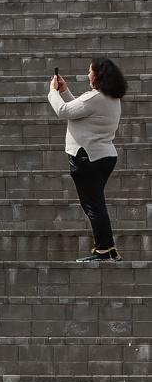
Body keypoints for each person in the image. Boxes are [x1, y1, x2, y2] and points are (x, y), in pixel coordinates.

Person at [50, 57, 129, 263]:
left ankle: (104, 249)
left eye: (90, 72)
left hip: (88, 157)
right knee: (95, 204)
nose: (88, 75)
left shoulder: (96, 98)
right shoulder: (109, 98)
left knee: (93, 206)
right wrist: (64, 92)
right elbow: (79, 110)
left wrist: (52, 92)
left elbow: (63, 111)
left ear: (98, 76)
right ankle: (108, 247)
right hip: (103, 156)